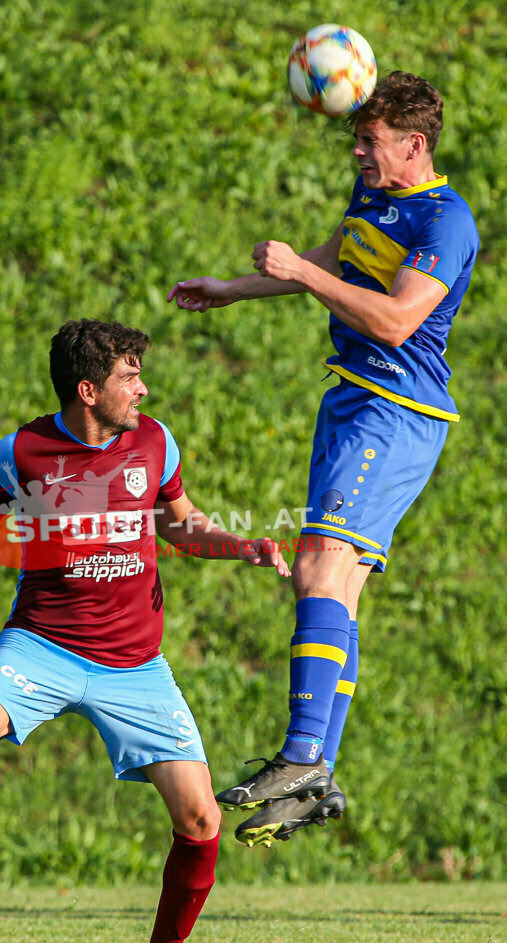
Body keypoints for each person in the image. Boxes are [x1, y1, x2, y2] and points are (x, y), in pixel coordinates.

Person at [0, 318, 289, 943]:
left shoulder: (155, 442)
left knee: (201, 819)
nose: (142, 389)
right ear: (88, 390)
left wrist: (243, 546)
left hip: (135, 666)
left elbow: (182, 527)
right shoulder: (20, 453)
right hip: (42, 647)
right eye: (129, 377)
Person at [167, 72, 479, 848]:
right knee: (338, 588)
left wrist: (301, 274)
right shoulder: (372, 195)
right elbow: (337, 255)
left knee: (313, 568)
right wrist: (236, 288)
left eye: (370, 142)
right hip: (355, 406)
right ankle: (316, 774)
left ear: (414, 144)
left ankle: (302, 755)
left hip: (391, 410)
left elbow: (396, 321)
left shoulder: (444, 221)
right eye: (356, 140)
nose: (358, 153)